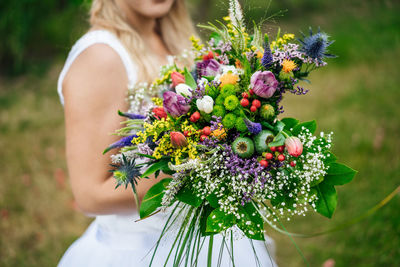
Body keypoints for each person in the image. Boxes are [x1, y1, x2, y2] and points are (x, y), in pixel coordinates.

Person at [57, 0, 277, 266]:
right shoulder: (101, 57)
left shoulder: (178, 40)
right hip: (143, 250)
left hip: (208, 237)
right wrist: (199, 173)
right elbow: (89, 196)